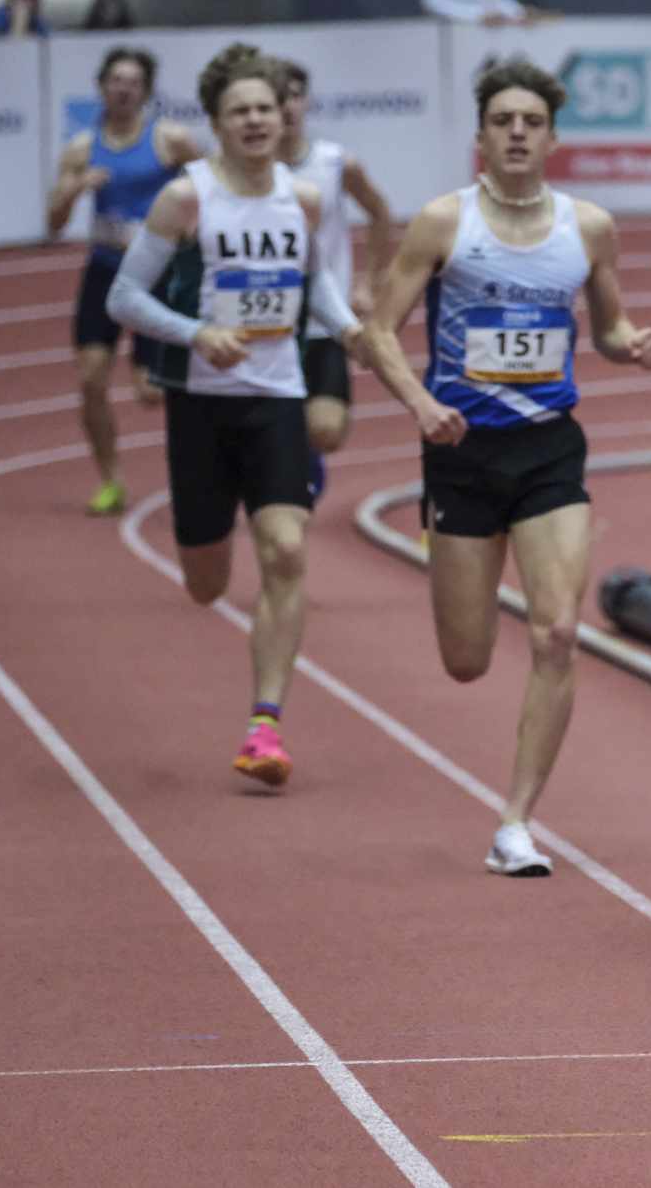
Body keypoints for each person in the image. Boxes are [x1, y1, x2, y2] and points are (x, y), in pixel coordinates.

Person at [361, 59, 651, 878]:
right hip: (460, 451)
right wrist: (421, 406)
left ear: (553, 136)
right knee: (466, 659)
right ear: (482, 138)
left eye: (533, 120)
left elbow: (604, 326)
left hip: (548, 451)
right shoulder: (442, 223)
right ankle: (512, 810)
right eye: (505, 121)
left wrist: (627, 345)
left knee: (558, 631)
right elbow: (379, 331)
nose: (519, 133)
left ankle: (515, 824)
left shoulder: (587, 227)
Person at [106, 42, 365, 788]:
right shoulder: (186, 199)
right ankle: (210, 566)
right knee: (206, 581)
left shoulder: (303, 199)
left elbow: (311, 285)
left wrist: (344, 326)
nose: (255, 120)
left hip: (277, 394)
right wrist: (196, 334)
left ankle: (266, 723)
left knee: (285, 549)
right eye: (239, 110)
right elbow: (125, 297)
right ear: (217, 122)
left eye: (264, 108)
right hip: (201, 405)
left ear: (281, 118)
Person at [47, 47, 204, 515]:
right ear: (101, 87)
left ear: (147, 91)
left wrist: (184, 235)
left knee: (152, 392)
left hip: (156, 274)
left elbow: (214, 189)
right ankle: (111, 480)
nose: (123, 89)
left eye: (133, 82)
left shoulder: (170, 140)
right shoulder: (81, 148)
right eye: (115, 80)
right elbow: (53, 222)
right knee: (91, 379)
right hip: (104, 270)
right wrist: (75, 188)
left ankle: (195, 464)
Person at [276, 57, 397, 500]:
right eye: (276, 97)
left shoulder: (334, 163)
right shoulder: (247, 170)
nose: (286, 106)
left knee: (327, 430)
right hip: (267, 323)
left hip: (325, 319)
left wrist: (368, 283)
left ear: (306, 101)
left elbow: (381, 214)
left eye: (293, 95)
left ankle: (304, 457)